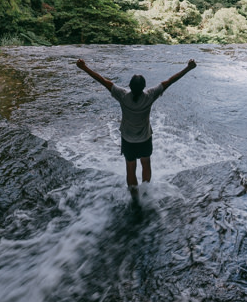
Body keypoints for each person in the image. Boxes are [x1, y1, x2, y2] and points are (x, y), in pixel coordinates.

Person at [76, 58, 197, 199]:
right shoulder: (150, 95)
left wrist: (84, 67)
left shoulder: (122, 95)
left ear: (129, 86)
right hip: (145, 138)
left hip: (128, 139)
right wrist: (188, 68)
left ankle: (134, 198)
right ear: (144, 86)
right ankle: (145, 193)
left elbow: (102, 80)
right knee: (146, 164)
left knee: (130, 168)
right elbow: (170, 80)